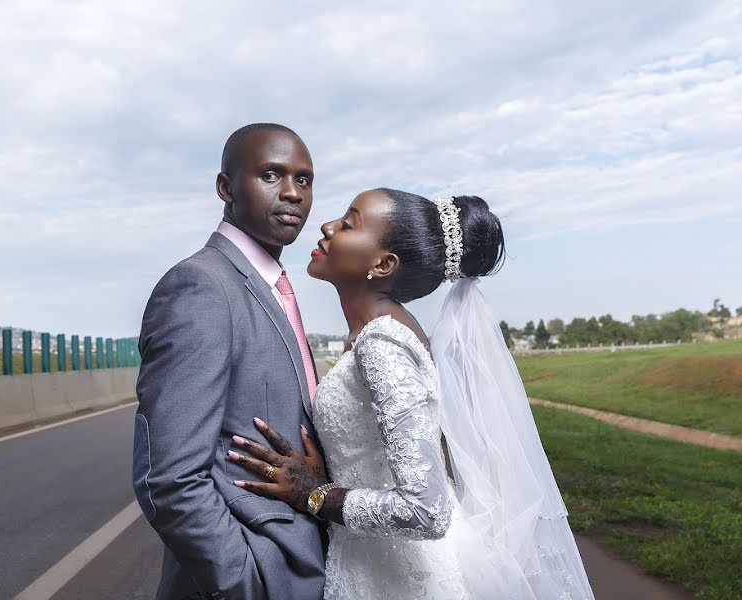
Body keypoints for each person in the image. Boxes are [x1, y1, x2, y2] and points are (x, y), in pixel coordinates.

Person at [231, 189, 595, 599]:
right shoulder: (379, 334)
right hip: (374, 567)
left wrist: (315, 495)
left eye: (348, 224)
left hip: (401, 581)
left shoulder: (383, 343)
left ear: (383, 264)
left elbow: (426, 511)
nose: (327, 227)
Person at [132, 123, 326, 600]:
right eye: (270, 175)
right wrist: (245, 581)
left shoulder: (270, 287)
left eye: (304, 180)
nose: (292, 193)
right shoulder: (200, 287)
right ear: (226, 188)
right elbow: (171, 479)